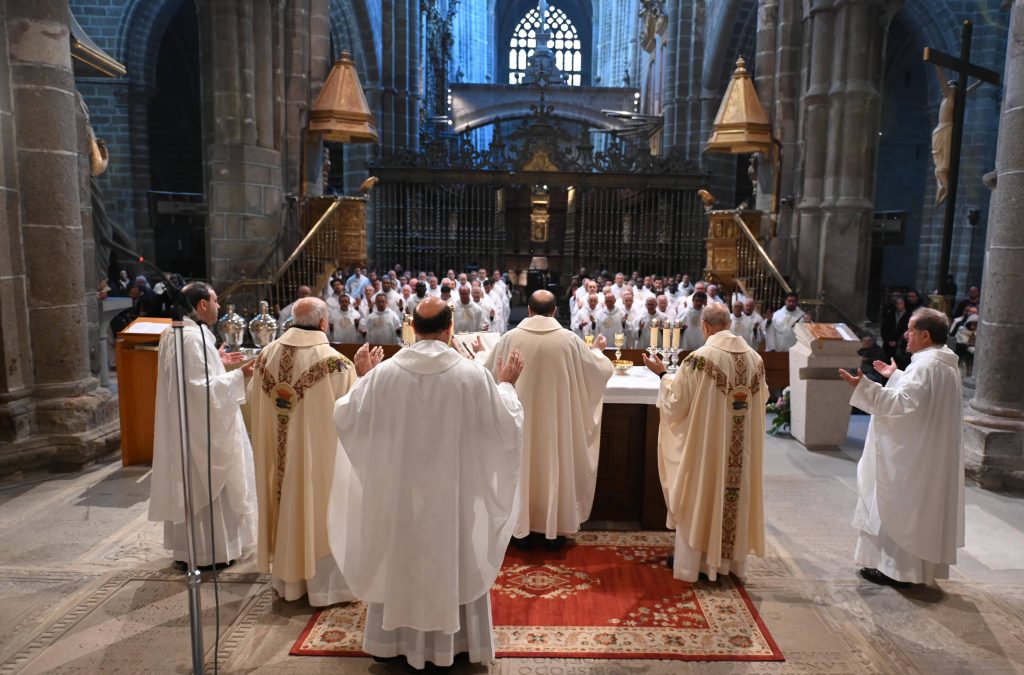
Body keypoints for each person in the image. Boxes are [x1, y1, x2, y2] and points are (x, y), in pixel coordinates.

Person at [328, 297, 525, 670]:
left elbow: (348, 416)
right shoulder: (472, 375)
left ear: (412, 328)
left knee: (400, 554)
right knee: (455, 554)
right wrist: (507, 386)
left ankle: (395, 643)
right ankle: (460, 643)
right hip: (454, 498)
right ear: (450, 327)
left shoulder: (386, 374)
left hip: (402, 500)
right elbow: (504, 425)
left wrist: (364, 378)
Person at [247, 298, 374, 605]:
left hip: (278, 464)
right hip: (319, 464)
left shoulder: (265, 356)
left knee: (286, 498)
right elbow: (356, 416)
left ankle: (288, 582)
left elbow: (252, 400)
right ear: (322, 323)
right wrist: (367, 376)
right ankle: (325, 589)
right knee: (318, 504)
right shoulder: (336, 364)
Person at [838, 308, 963, 587]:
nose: (906, 335)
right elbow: (920, 399)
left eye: (910, 329)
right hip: (928, 451)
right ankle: (911, 571)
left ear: (925, 334)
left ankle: (897, 571)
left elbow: (903, 405)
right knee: (919, 508)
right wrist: (896, 377)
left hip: (913, 454)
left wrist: (865, 388)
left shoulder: (926, 365)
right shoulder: (942, 364)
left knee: (901, 505)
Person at [643, 303, 767, 582]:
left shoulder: (699, 359)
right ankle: (730, 564)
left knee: (700, 492)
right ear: (729, 325)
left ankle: (695, 564)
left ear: (705, 327)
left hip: (707, 450)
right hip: (740, 453)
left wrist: (663, 374)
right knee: (733, 495)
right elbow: (762, 400)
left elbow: (676, 403)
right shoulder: (755, 359)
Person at [483, 290, 614, 549]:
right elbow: (599, 372)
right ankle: (554, 529)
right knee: (554, 463)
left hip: (519, 426)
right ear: (555, 311)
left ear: (529, 311)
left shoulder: (510, 338)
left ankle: (520, 529)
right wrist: (598, 353)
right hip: (557, 426)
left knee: (523, 466)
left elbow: (486, 374)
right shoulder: (569, 341)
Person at [149, 282, 257, 568]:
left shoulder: (176, 333)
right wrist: (239, 376)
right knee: (205, 480)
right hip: (201, 431)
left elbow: (191, 379)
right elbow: (200, 390)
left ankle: (192, 550)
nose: (219, 306)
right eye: (215, 300)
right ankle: (212, 553)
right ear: (202, 305)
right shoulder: (193, 337)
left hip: (185, 427)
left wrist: (218, 360)